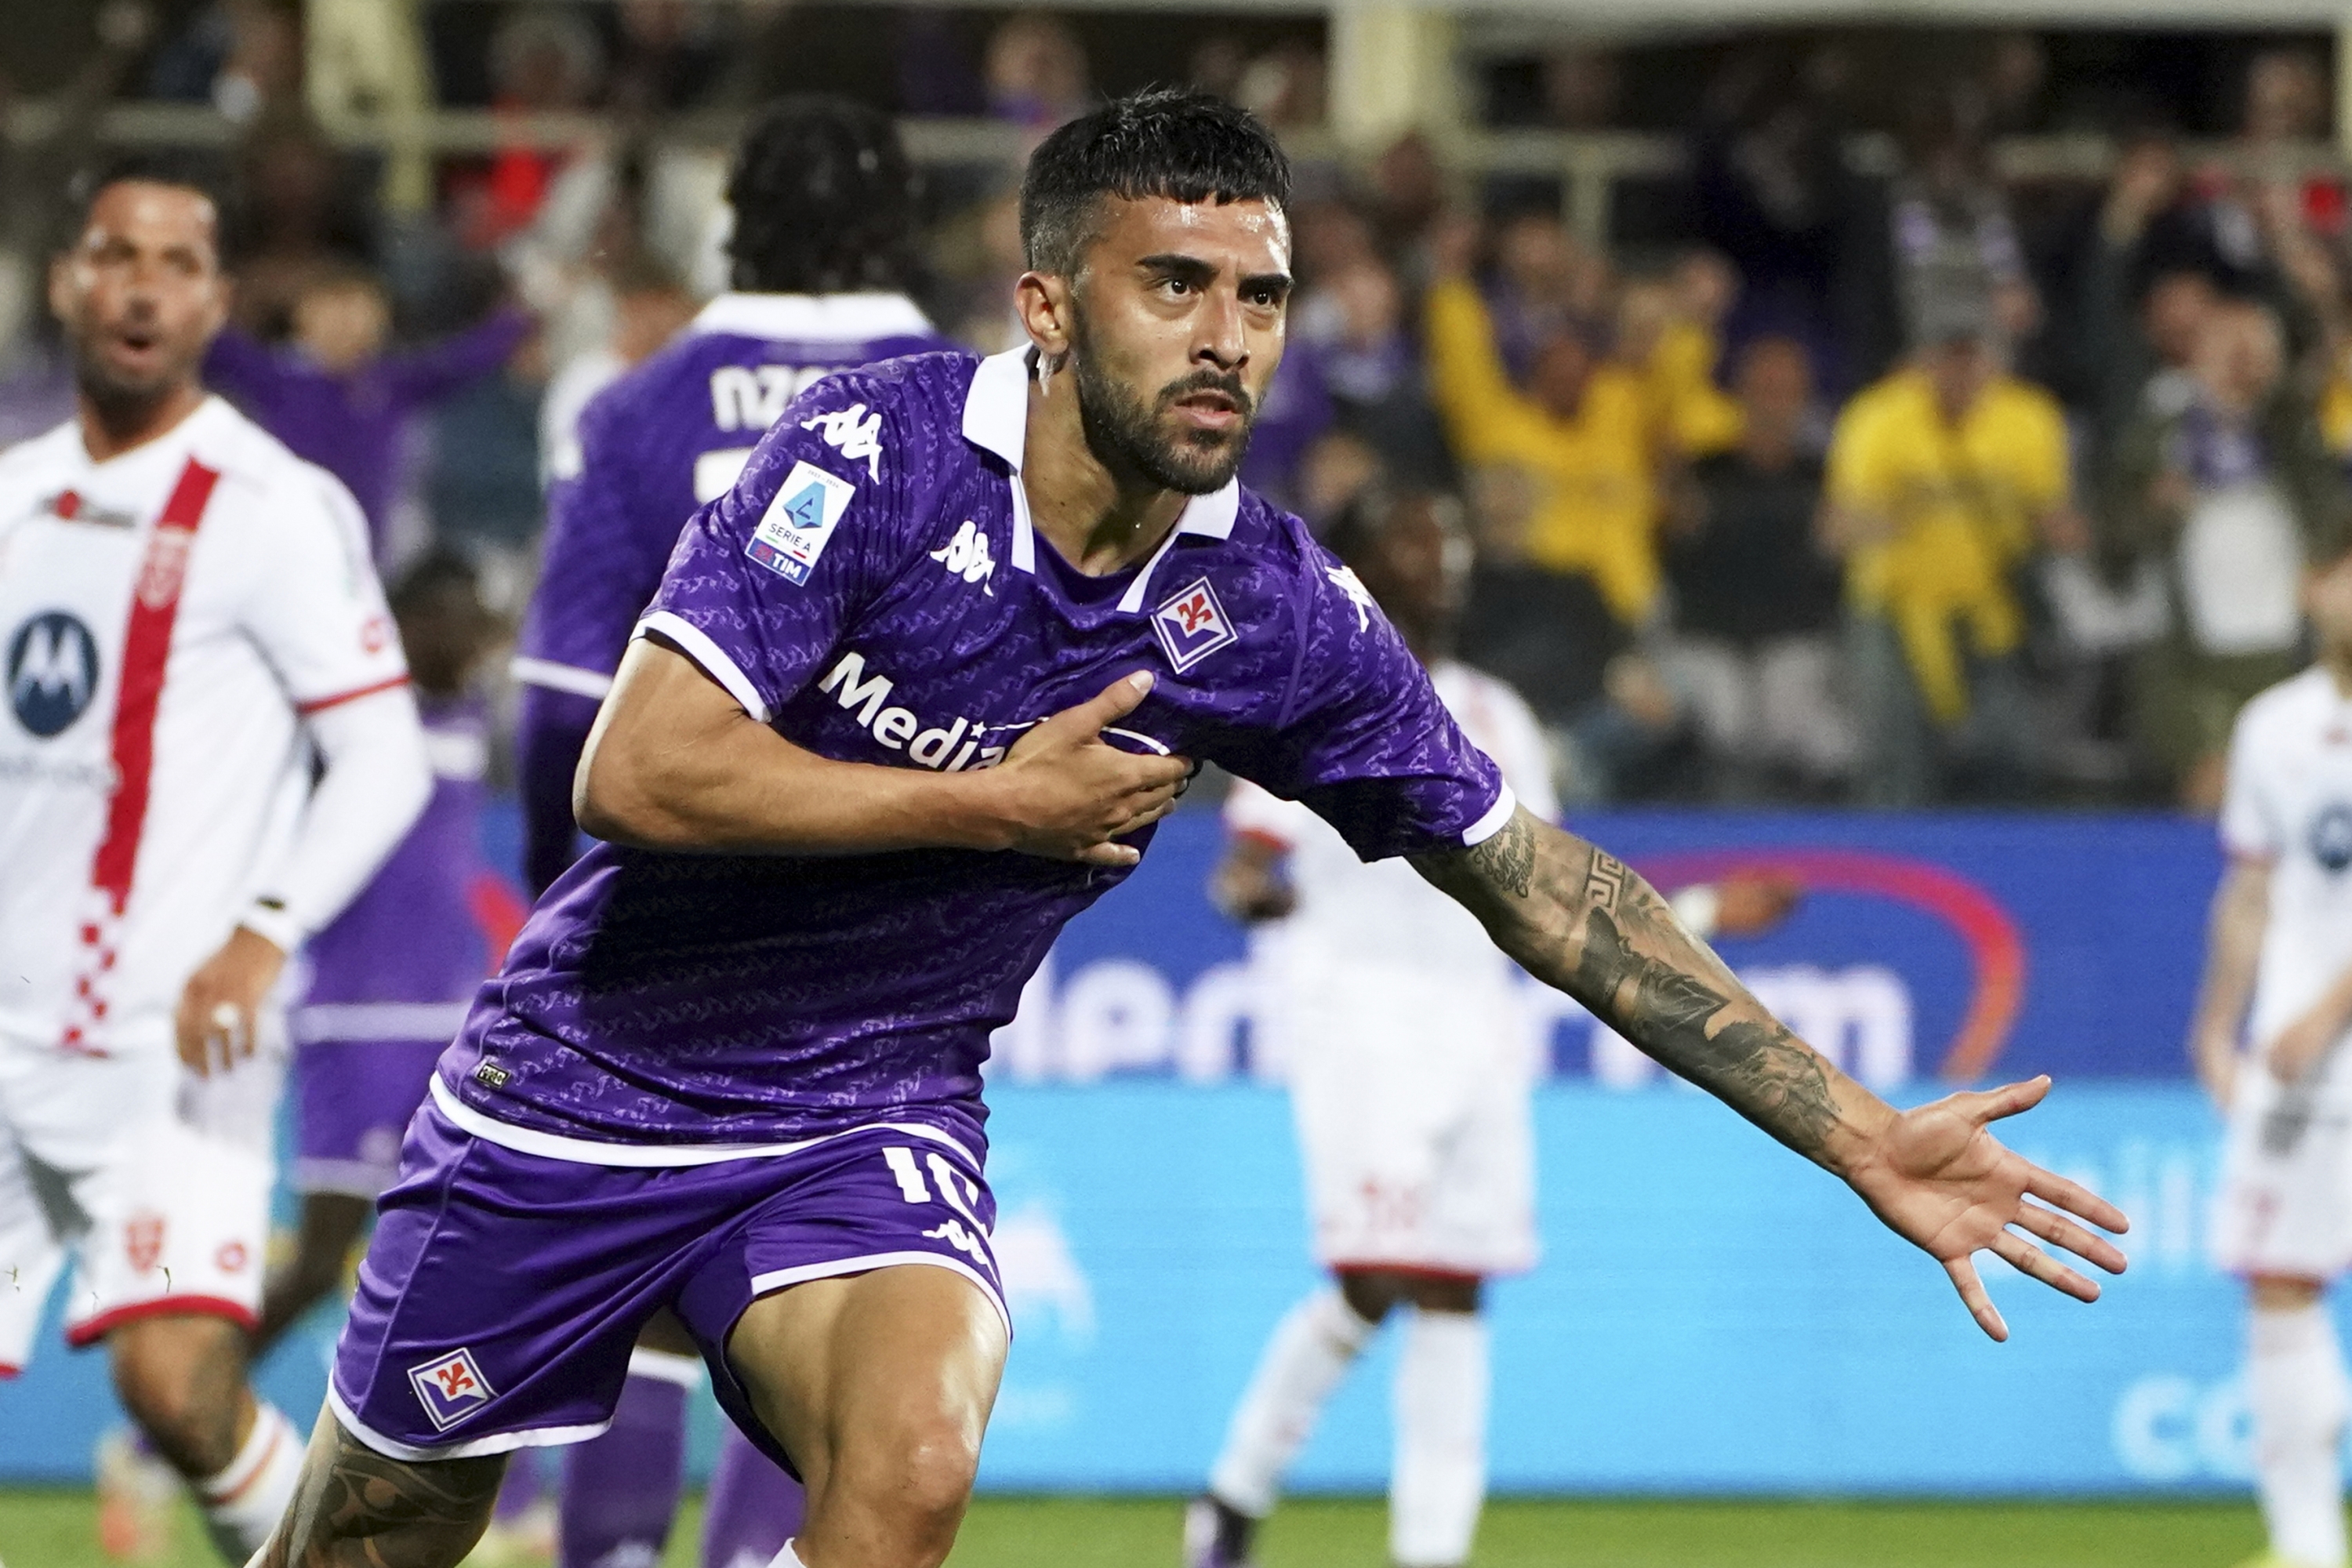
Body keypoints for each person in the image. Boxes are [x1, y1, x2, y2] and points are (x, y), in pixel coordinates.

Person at [256, 89, 2128, 1568]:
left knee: (908, 1466)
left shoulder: (1274, 610)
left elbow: (1541, 884)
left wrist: (1854, 1125)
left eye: (1260, 296)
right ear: (1052, 304)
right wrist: (992, 801)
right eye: (1176, 287)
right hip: (582, 1084)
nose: (1226, 338)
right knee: (377, 1533)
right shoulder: (877, 448)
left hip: (869, 1109)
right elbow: (637, 773)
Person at [510, 95, 955, 1568]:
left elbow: (565, 710)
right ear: (891, 225)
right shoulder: (972, 402)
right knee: (838, 1293)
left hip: (667, 924)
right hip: (893, 938)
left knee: (633, 1286)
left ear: (733, 225)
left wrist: (558, 902)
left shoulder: (634, 410)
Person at [1187, 488, 1793, 1568]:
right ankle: (1234, 1497)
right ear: (1366, 557)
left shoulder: (1499, 713)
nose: (1446, 557)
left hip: (1478, 1018)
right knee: (1374, 1278)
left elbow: (1553, 893)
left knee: (1458, 1290)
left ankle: (1430, 1554)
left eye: (1455, 541)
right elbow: (1245, 865)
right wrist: (1254, 897)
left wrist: (1696, 915)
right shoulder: (1308, 679)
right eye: (1421, 535)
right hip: (1361, 1016)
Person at [0, 153, 430, 1563]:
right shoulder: (12, 499)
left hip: (169, 1042)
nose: (141, 286)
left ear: (217, 304)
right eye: (116, 254)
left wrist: (263, 924)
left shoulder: (271, 506)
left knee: (177, 1387)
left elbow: (385, 755)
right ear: (70, 281)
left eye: (177, 264)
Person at [2192, 539, 2352, 1568]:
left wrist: (2328, 1008)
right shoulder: (2274, 727)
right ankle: (2305, 1541)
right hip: (2304, 1069)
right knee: (2281, 1278)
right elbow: (2251, 888)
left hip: (2320, 1036)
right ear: (2313, 587)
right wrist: (2216, 1024)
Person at [1821, 275, 2082, 805]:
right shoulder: (1880, 416)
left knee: (2012, 751)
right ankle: (1894, 874)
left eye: (1971, 354)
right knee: (1894, 755)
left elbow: (2056, 522)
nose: (1959, 369)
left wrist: (2059, 533)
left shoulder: (2027, 418)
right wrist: (1893, 518)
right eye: (1947, 355)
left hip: (1992, 611)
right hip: (1897, 606)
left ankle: (2001, 872)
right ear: (1923, 358)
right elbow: (1837, 528)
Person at [2102, 299, 2352, 811]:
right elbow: (2112, 550)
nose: (2243, 368)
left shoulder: (2297, 435)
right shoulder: (2161, 435)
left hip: (2291, 651)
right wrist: (2157, 507)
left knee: (2305, 795)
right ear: (2197, 359)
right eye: (2229, 353)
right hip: (2192, 659)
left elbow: (2333, 521)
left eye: (2256, 354)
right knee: (2213, 788)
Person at [1662, 336, 1852, 797]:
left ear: (1804, 401)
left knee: (1794, 726)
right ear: (1741, 396)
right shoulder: (1706, 473)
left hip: (1796, 645)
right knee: (1727, 721)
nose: (1774, 405)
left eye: (1786, 392)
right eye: (1763, 390)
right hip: (1707, 642)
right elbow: (1669, 561)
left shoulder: (1824, 478)